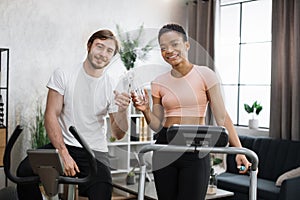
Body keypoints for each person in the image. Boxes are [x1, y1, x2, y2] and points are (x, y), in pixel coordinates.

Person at [131, 23, 251, 200]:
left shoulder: (205, 74)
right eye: (163, 47)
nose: (169, 50)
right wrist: (146, 110)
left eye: (174, 44)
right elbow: (156, 126)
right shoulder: (158, 82)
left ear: (187, 45)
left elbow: (221, 116)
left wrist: (239, 150)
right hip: (165, 145)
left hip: (196, 146)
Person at [16, 29, 131, 200]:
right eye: (100, 46)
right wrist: (63, 153)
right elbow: (51, 115)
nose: (103, 54)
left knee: (102, 192)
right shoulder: (64, 74)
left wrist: (122, 111)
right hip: (63, 145)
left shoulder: (113, 85)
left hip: (95, 151)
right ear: (89, 46)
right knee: (23, 172)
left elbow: (118, 134)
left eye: (109, 51)